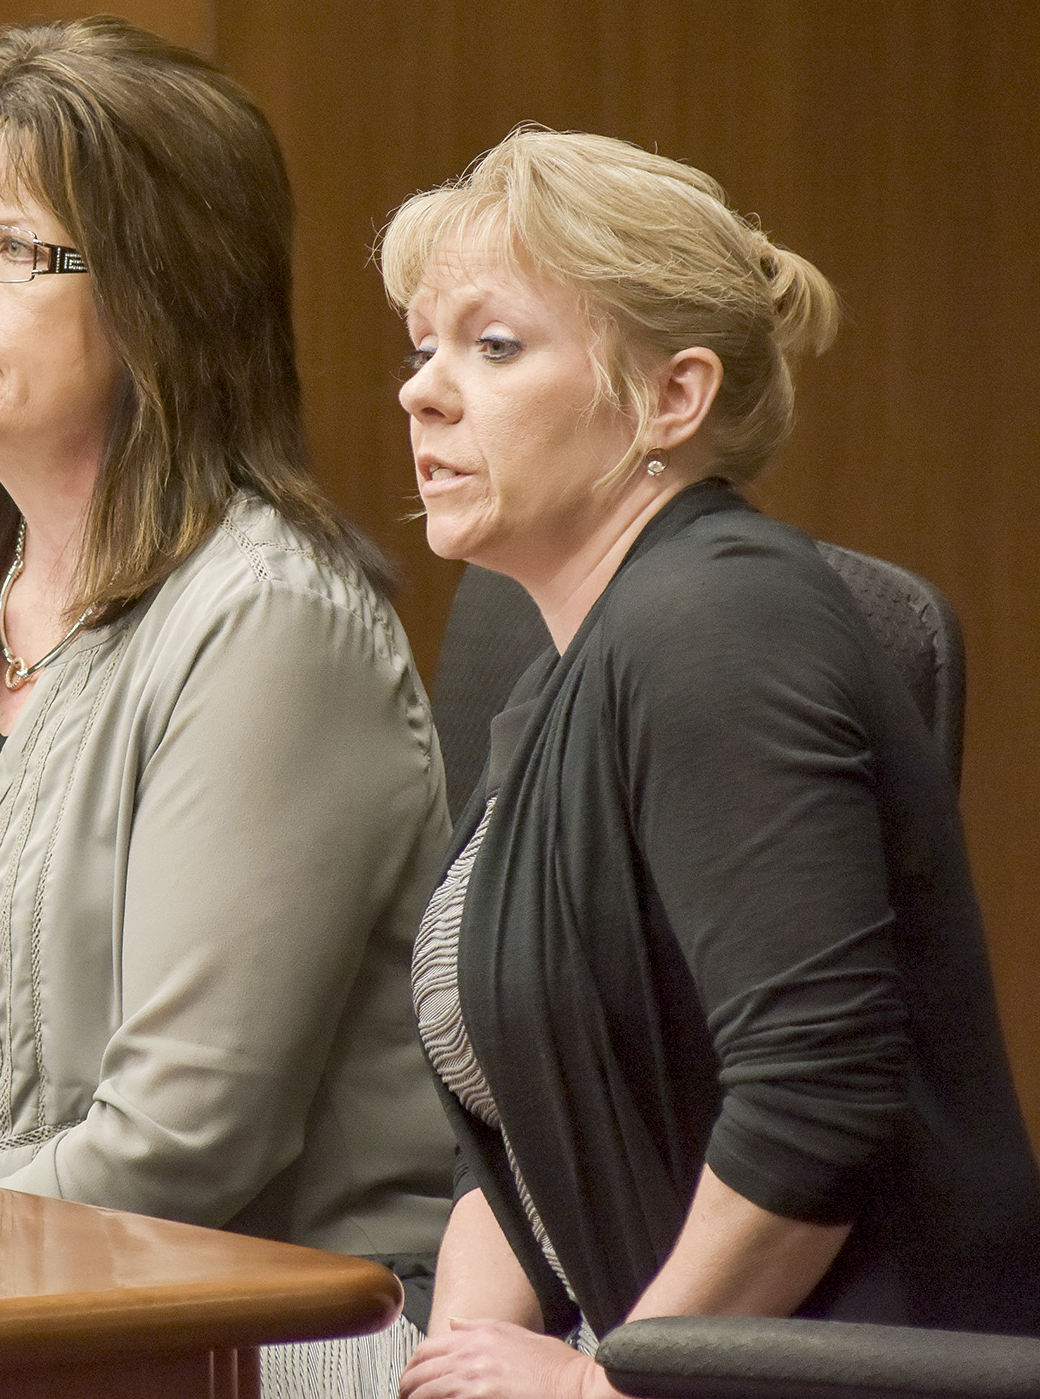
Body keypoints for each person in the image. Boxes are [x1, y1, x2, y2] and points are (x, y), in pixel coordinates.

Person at [0, 18, 454, 1393]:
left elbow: (181, 1146)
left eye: (7, 251)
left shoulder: (267, 625)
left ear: (160, 296)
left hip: (261, 1329)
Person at [383, 128, 1040, 1399]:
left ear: (672, 399)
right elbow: (515, 1142)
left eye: (494, 345)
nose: (421, 391)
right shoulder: (554, 684)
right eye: (421, 349)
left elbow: (816, 1109)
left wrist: (604, 1386)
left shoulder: (721, 627)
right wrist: (450, 1367)